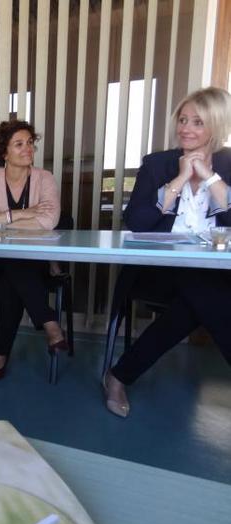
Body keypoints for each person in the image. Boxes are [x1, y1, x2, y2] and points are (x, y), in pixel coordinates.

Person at [103, 86, 231, 418]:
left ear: (216, 126)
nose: (185, 128)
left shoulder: (229, 164)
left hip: (215, 273)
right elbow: (136, 222)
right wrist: (177, 181)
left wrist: (210, 178)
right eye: (183, 120)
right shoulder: (157, 164)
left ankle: (118, 376)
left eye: (198, 122)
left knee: (197, 300)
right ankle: (118, 376)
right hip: (159, 270)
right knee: (207, 295)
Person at [0, 120, 67, 380]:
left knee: (13, 273)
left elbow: (48, 221)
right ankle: (49, 322)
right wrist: (18, 215)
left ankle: (0, 354)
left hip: (31, 260)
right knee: (13, 265)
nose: (28, 148)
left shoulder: (44, 179)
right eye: (19, 144)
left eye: (30, 143)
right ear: (3, 151)